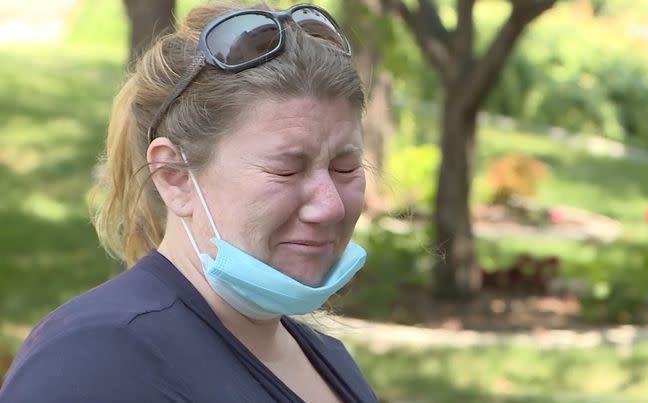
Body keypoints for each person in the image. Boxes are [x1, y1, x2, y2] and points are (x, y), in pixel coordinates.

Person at [0, 2, 377, 402]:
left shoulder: (317, 352)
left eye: (345, 167)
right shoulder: (96, 362)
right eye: (286, 170)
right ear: (174, 176)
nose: (330, 205)